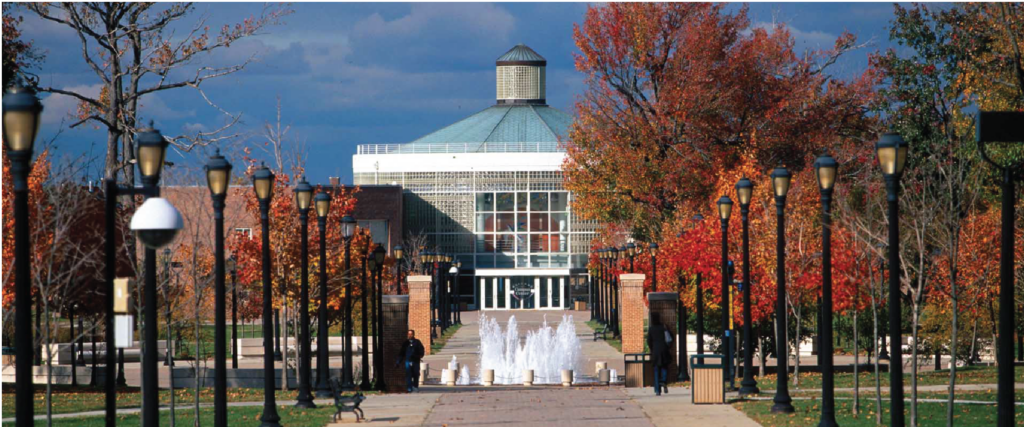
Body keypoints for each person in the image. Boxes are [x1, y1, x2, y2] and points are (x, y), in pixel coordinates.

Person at [648, 313, 671, 396]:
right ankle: (663, 381)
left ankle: (657, 390)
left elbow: (649, 341)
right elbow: (670, 338)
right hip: (664, 350)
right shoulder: (664, 327)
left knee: (656, 370)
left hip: (655, 352)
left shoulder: (651, 329)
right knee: (664, 367)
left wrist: (652, 349)